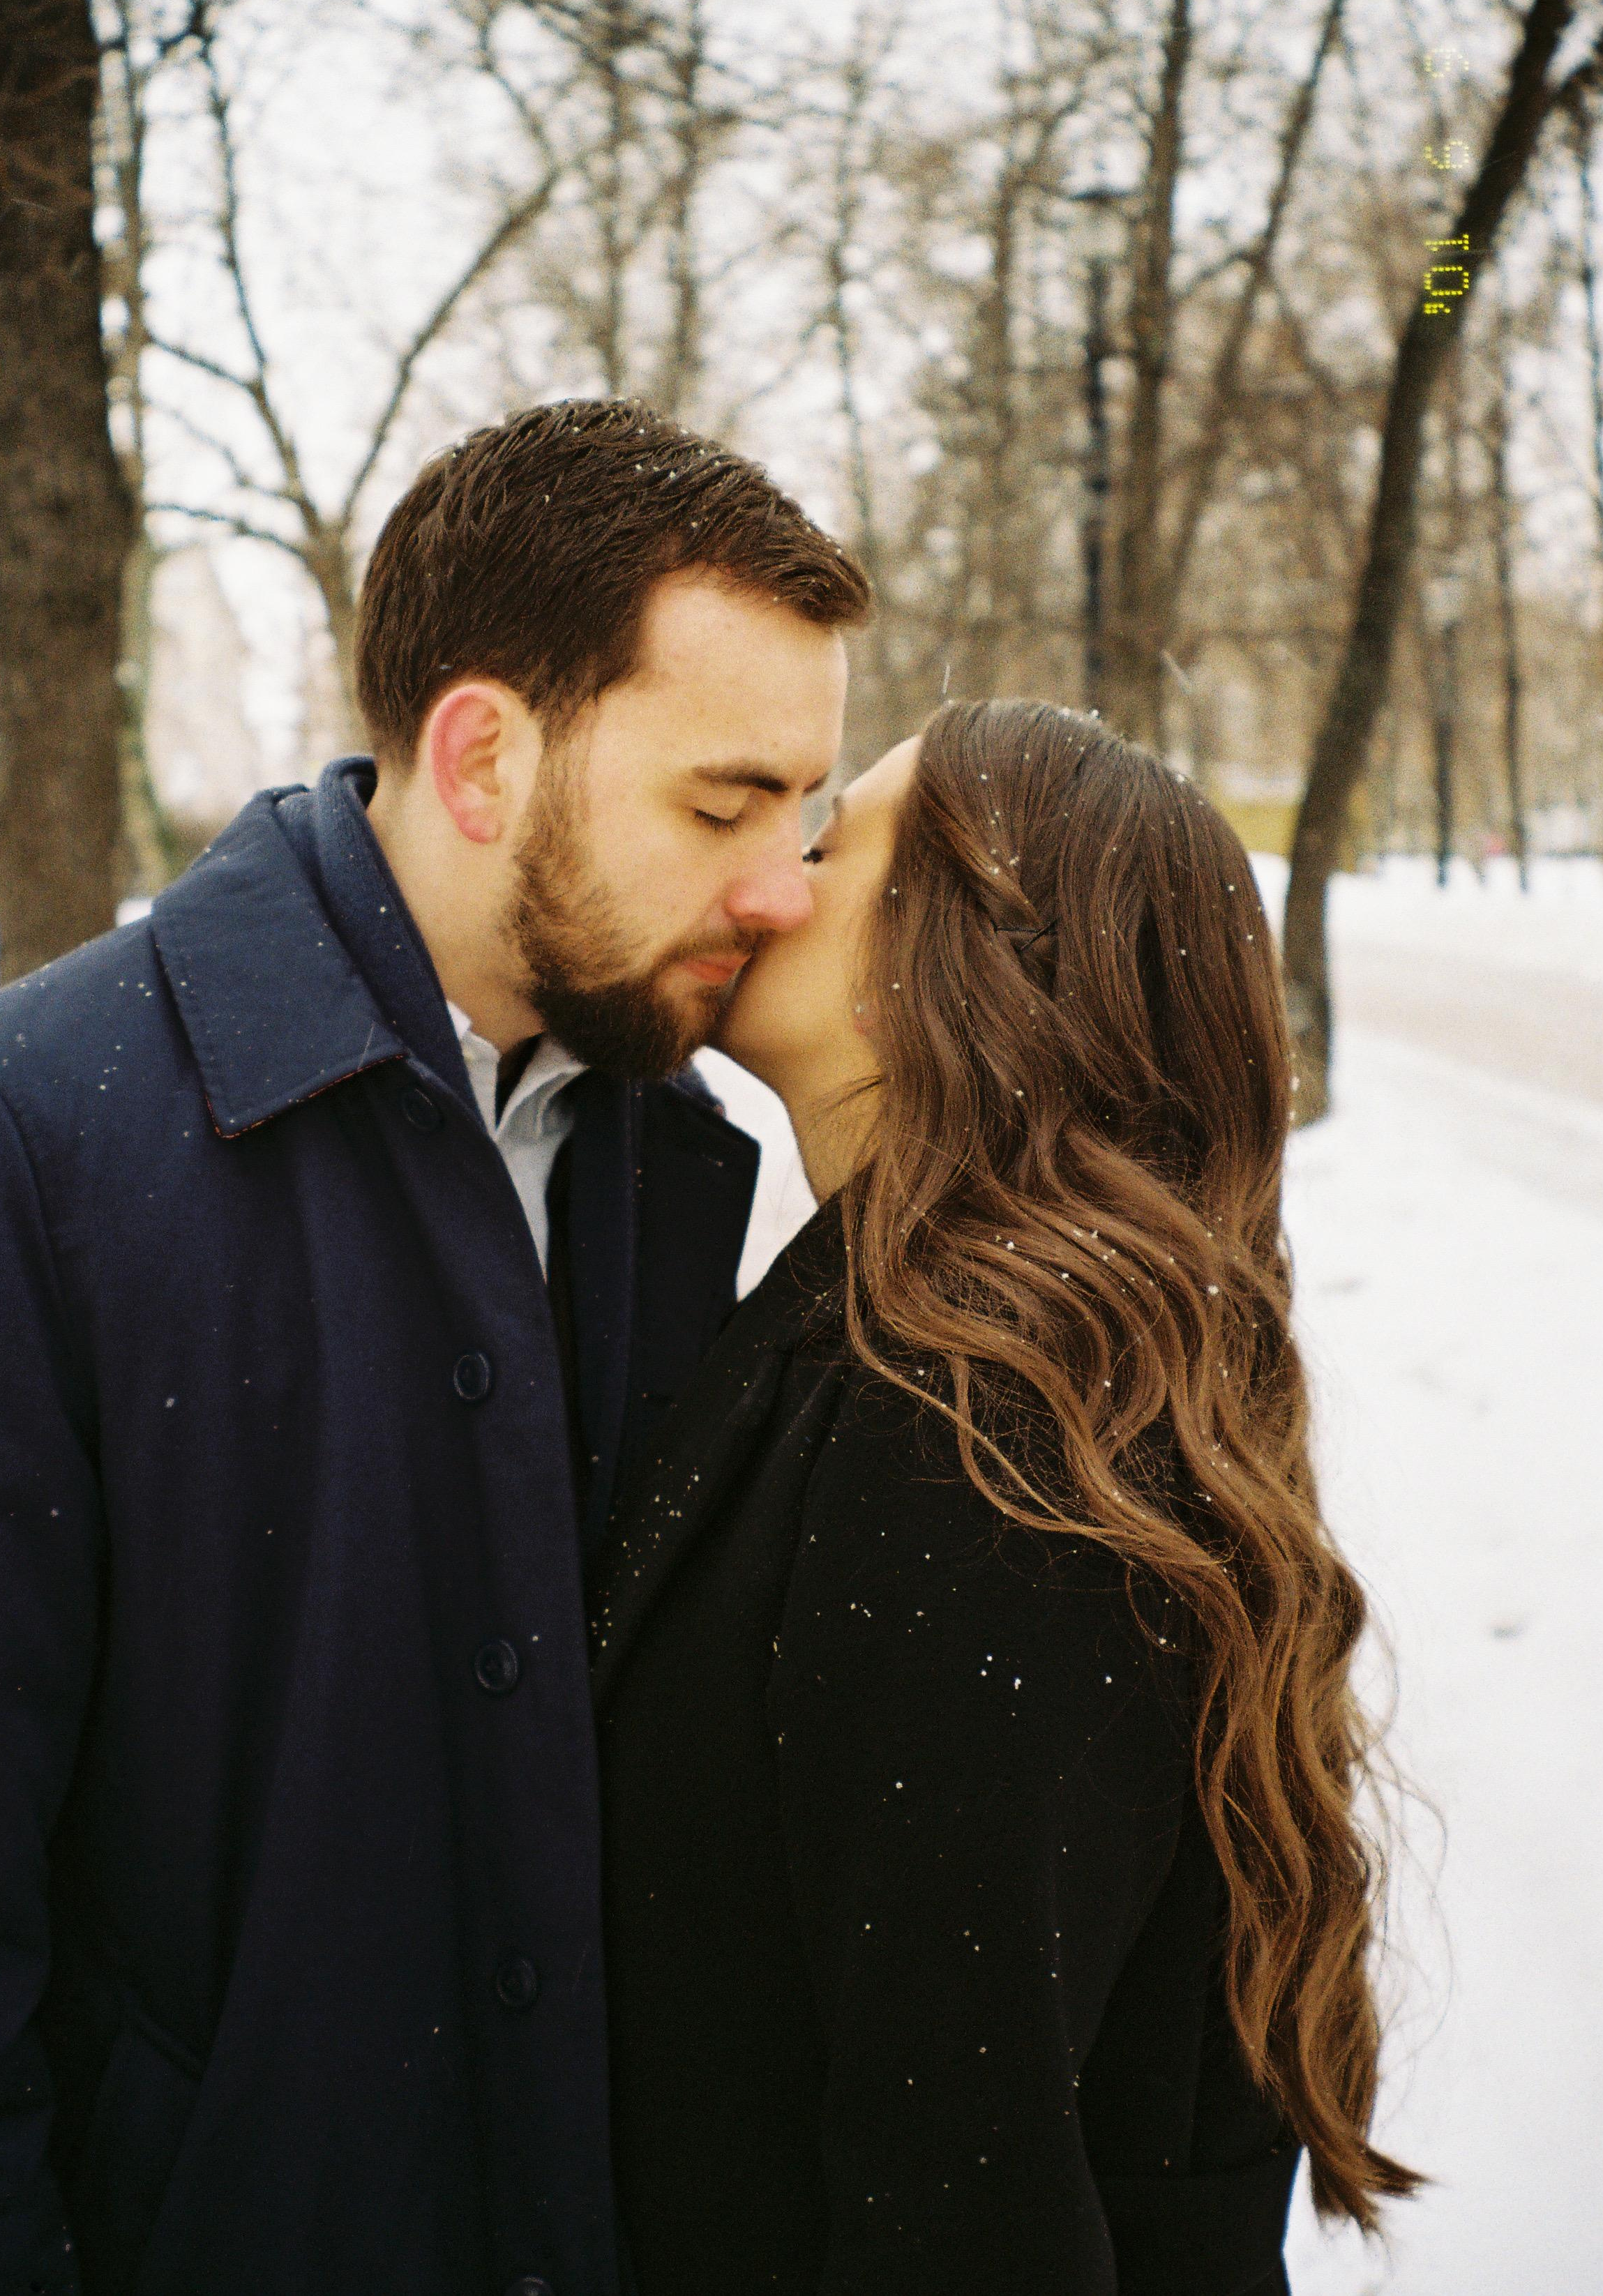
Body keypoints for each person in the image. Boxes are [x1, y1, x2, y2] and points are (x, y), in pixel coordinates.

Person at [0, 399, 866, 2296]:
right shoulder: (19, 1138)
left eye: (811, 817)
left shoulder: (677, 1145)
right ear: (483, 752)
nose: (782, 892)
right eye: (722, 803)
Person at [591, 697, 1422, 2296]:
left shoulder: (979, 1458)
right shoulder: (935, 1362)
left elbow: (960, 2189)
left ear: (978, 961)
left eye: (830, 843)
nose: (770, 881)